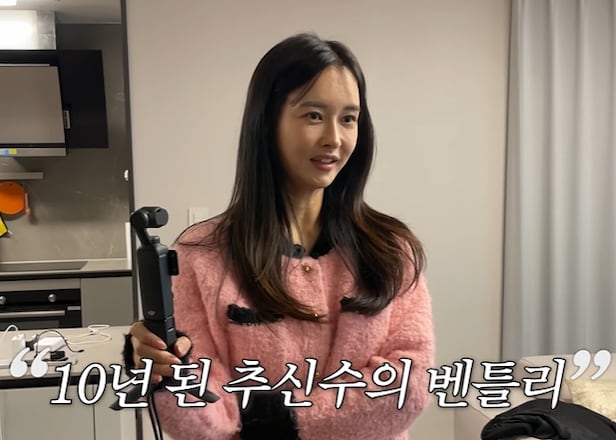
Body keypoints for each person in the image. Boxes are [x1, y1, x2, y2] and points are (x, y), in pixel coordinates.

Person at [124, 32, 435, 440]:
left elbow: (408, 386)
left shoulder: (391, 250)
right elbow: (203, 418)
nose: (334, 138)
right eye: (313, 115)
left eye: (348, 118)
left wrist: (280, 420)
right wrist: (161, 370)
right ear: (267, 122)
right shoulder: (203, 257)